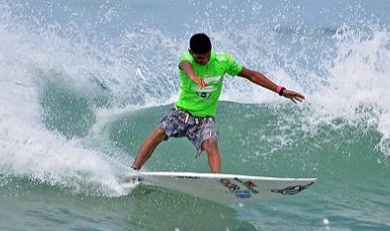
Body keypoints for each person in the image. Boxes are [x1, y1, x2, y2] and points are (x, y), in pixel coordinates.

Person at [131, 33, 305, 173]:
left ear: (211, 51)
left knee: (211, 143)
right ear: (191, 53)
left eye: (206, 57)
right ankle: (134, 171)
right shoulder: (186, 58)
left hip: (205, 118)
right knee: (158, 134)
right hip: (181, 113)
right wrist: (194, 77)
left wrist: (280, 91)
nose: (203, 61)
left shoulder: (223, 61)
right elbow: (185, 65)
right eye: (199, 58)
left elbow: (251, 75)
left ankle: (217, 182)